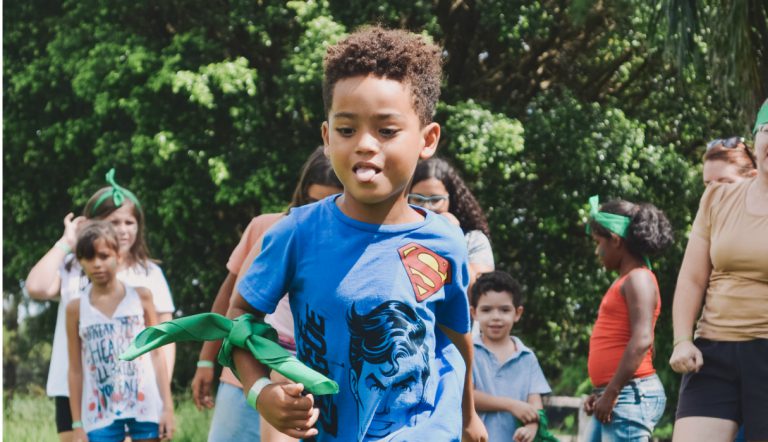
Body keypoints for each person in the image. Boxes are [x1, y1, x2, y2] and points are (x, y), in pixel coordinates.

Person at [227, 26, 487, 441]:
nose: (365, 145)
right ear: (328, 139)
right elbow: (239, 318)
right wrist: (260, 390)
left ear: (427, 138)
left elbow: (456, 335)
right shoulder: (295, 233)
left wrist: (468, 414)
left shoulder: (445, 242)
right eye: (347, 130)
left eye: (386, 130)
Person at [190, 146, 342, 442]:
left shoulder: (356, 251)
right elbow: (230, 299)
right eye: (312, 203)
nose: (320, 216)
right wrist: (206, 360)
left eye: (331, 205)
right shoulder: (268, 228)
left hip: (311, 378)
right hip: (248, 369)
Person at [25, 169, 175, 442]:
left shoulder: (149, 275)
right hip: (74, 390)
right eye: (113, 221)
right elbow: (35, 286)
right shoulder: (73, 269)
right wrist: (67, 242)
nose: (122, 230)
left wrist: (160, 398)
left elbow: (163, 340)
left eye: (130, 222)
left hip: (135, 394)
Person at [669, 101, 768, 441]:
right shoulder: (716, 200)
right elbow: (692, 278)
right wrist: (682, 340)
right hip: (713, 350)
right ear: (755, 139)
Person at [65, 221, 174, 442]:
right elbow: (75, 370)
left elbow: (156, 353)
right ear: (80, 261)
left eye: (104, 256)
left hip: (145, 407)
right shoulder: (75, 309)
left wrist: (167, 407)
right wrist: (77, 424)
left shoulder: (142, 297)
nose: (97, 264)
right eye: (89, 258)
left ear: (119, 256)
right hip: (100, 415)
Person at [583, 196, 673, 441]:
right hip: (617, 394)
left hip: (630, 395)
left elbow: (643, 339)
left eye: (598, 242)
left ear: (615, 240)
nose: (596, 251)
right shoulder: (625, 280)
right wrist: (602, 392)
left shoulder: (639, 279)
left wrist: (611, 392)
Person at [470, 271, 551, 442]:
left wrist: (531, 427)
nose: (496, 317)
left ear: (517, 313)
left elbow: (535, 404)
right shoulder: (468, 351)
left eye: (504, 310)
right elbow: (467, 396)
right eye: (486, 310)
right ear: (474, 313)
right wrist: (511, 405)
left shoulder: (527, 357)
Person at [410, 157, 494, 285]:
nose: (427, 207)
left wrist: (452, 239)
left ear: (452, 199)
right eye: (417, 199)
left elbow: (481, 293)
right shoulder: (394, 235)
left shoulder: (472, 240)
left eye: (435, 200)